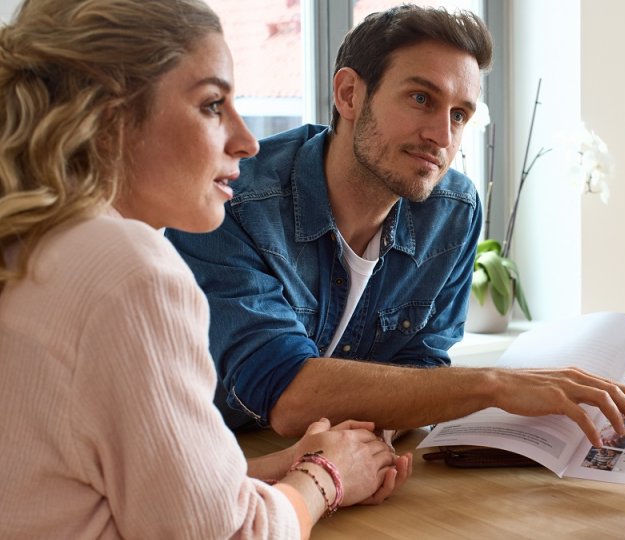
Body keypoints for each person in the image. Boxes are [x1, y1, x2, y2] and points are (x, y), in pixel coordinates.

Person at [0, 1, 410, 537]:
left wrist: (278, 468)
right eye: (213, 104)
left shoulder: (29, 243)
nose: (247, 140)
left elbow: (123, 494)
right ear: (109, 116)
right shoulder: (129, 271)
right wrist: (329, 475)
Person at [166, 4, 625, 446]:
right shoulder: (232, 200)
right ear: (349, 94)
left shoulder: (452, 211)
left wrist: (377, 433)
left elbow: (422, 361)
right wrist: (495, 385)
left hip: (340, 467)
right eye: (421, 98)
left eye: (460, 114)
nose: (442, 135)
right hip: (209, 468)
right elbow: (284, 392)